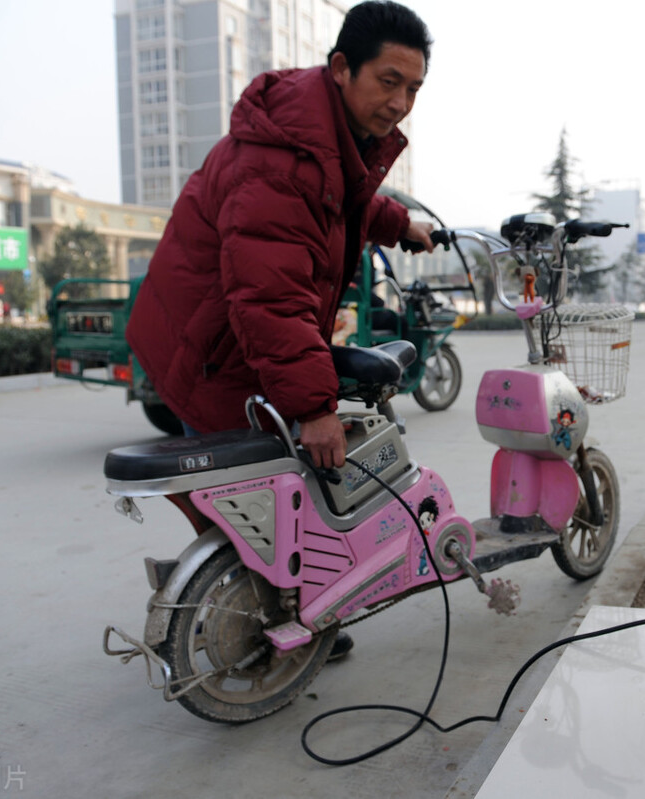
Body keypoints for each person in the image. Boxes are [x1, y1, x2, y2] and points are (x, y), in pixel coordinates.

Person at [126, 0, 435, 661]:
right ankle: (244, 618)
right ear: (342, 69)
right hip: (210, 346)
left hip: (221, 331)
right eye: (389, 81)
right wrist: (313, 406)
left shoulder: (320, 132)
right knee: (258, 488)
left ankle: (240, 597)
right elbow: (269, 296)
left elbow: (343, 194)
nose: (401, 102)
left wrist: (395, 223)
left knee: (259, 490)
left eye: (414, 88)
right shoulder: (282, 156)